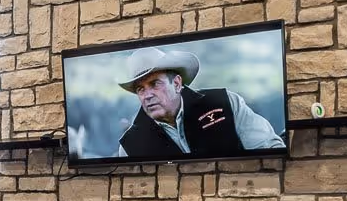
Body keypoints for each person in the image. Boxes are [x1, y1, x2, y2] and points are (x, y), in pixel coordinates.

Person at [113, 48, 284, 159]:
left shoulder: (227, 103)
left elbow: (271, 150)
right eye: (140, 89)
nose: (147, 95)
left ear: (177, 84)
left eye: (155, 84)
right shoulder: (131, 145)